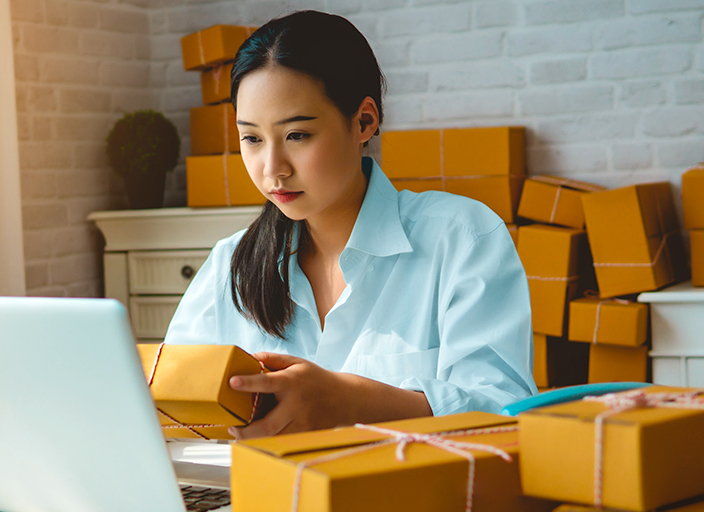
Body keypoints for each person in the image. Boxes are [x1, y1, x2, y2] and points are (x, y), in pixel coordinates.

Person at [163, 10, 535, 440]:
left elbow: (503, 415)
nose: (273, 169)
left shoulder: (461, 238)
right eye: (252, 138)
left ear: (364, 121)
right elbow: (169, 409)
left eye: (297, 135)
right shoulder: (230, 266)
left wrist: (353, 403)